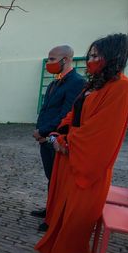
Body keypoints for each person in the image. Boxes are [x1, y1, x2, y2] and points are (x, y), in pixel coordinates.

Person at [35, 33, 128, 253]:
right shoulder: (96, 83)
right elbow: (73, 112)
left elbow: (101, 132)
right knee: (64, 205)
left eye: (96, 56)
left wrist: (66, 142)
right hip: (68, 155)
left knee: (77, 212)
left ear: (112, 57)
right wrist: (58, 132)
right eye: (90, 55)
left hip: (86, 160)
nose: (91, 59)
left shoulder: (122, 87)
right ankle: (58, 246)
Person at [31, 45, 86, 229]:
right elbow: (47, 108)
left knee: (59, 181)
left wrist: (44, 131)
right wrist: (40, 131)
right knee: (51, 178)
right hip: (45, 139)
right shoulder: (55, 82)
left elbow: (65, 115)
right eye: (49, 59)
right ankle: (50, 209)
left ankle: (55, 217)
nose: (49, 63)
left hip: (56, 139)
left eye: (53, 59)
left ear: (66, 59)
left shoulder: (77, 82)